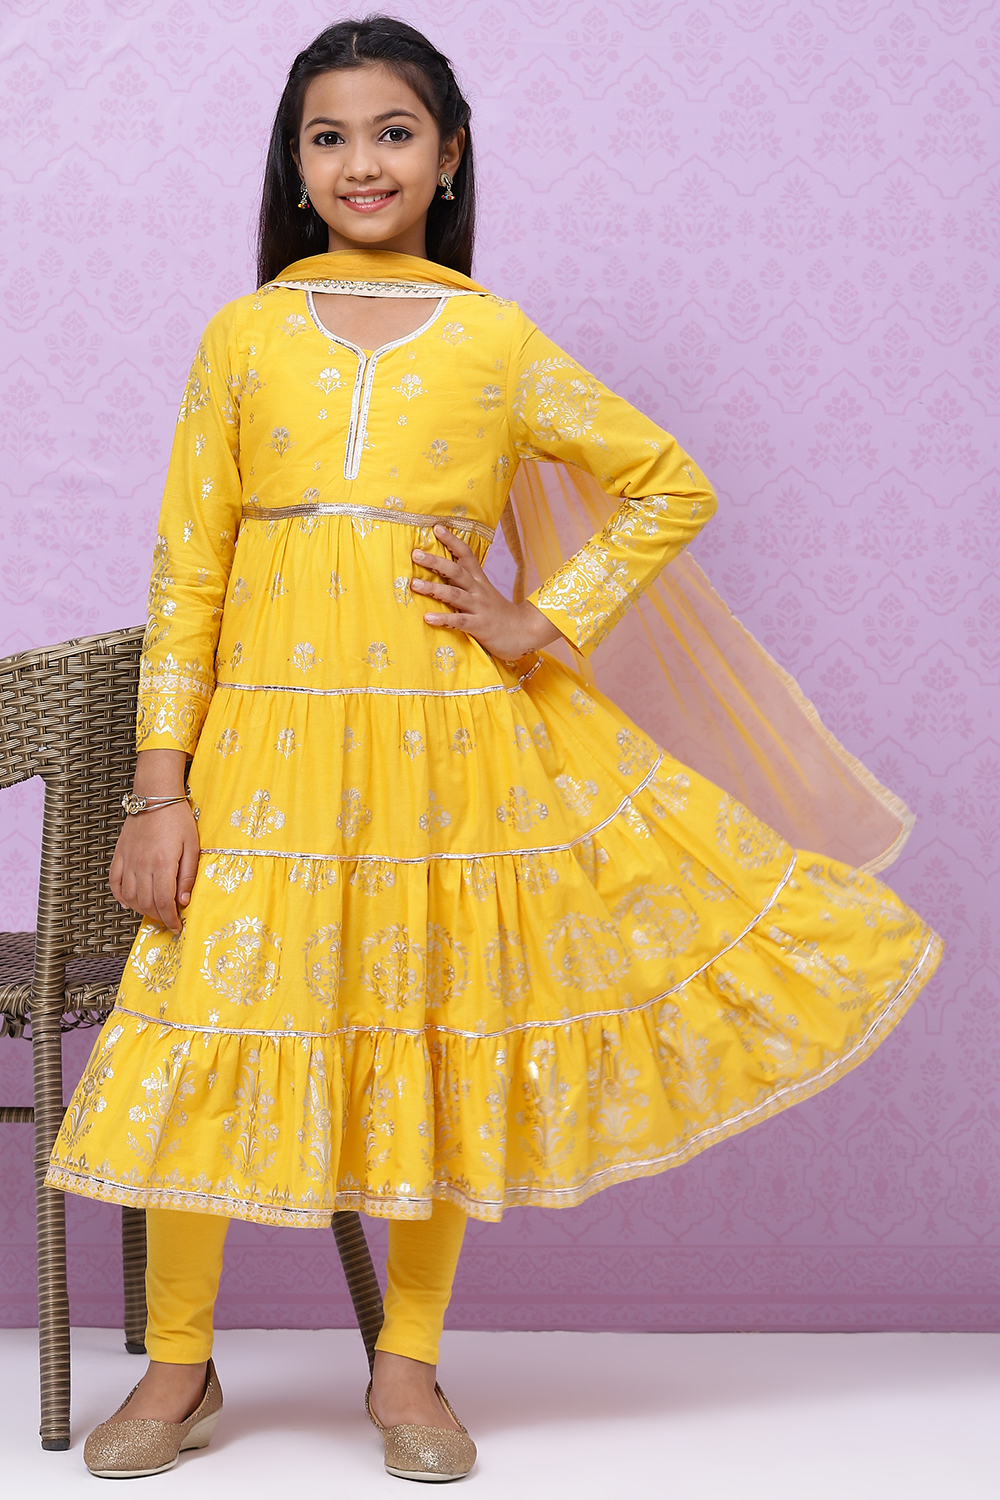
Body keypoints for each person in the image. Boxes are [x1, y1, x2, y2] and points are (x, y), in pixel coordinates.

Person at [47, 15, 942, 1484]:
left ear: (448, 155)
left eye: (393, 132)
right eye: (329, 137)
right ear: (294, 163)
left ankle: (407, 1365)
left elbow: (666, 483)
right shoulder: (244, 336)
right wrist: (160, 790)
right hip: (261, 752)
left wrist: (547, 619)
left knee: (434, 1032)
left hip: (446, 751)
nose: (362, 162)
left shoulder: (493, 339)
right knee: (211, 1021)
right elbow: (187, 575)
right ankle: (179, 1365)